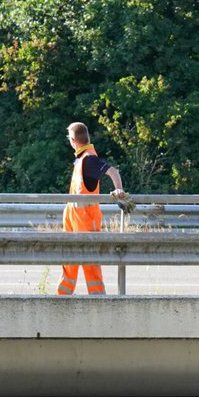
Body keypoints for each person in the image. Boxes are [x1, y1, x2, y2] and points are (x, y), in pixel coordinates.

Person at [57, 121, 127, 296]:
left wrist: (119, 189)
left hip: (86, 219)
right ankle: (61, 300)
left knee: (91, 264)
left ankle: (98, 302)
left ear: (73, 140)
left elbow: (113, 171)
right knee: (69, 263)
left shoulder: (89, 158)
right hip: (75, 219)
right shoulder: (82, 159)